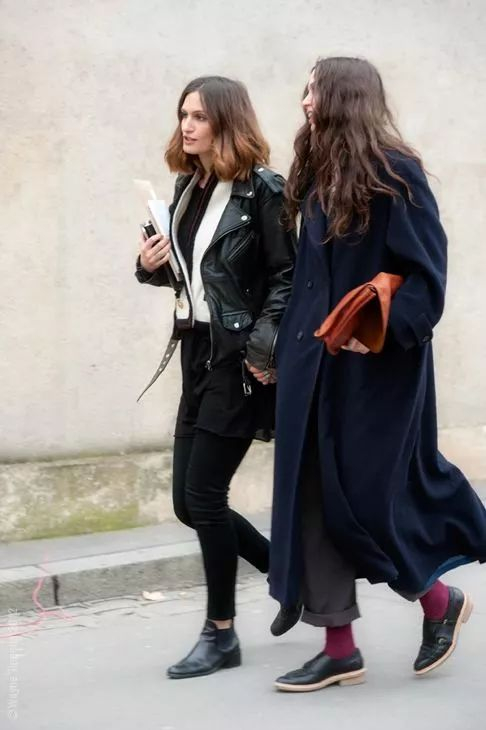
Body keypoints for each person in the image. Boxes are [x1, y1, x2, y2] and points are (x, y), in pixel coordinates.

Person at [268, 56, 486, 692]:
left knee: (368, 500)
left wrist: (380, 333)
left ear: (342, 97)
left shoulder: (396, 173)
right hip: (311, 364)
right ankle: (339, 648)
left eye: (312, 90)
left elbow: (427, 279)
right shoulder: (314, 171)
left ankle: (439, 601)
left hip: (374, 373)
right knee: (312, 500)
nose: (304, 101)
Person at [135, 76, 296, 680]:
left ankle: (221, 633)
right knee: (187, 502)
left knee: (204, 496)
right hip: (196, 351)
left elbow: (287, 276)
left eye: (200, 116)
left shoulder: (264, 191)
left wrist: (263, 344)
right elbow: (195, 275)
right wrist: (150, 265)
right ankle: (287, 572)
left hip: (239, 360)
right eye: (183, 114)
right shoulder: (191, 185)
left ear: (228, 121)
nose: (187, 125)